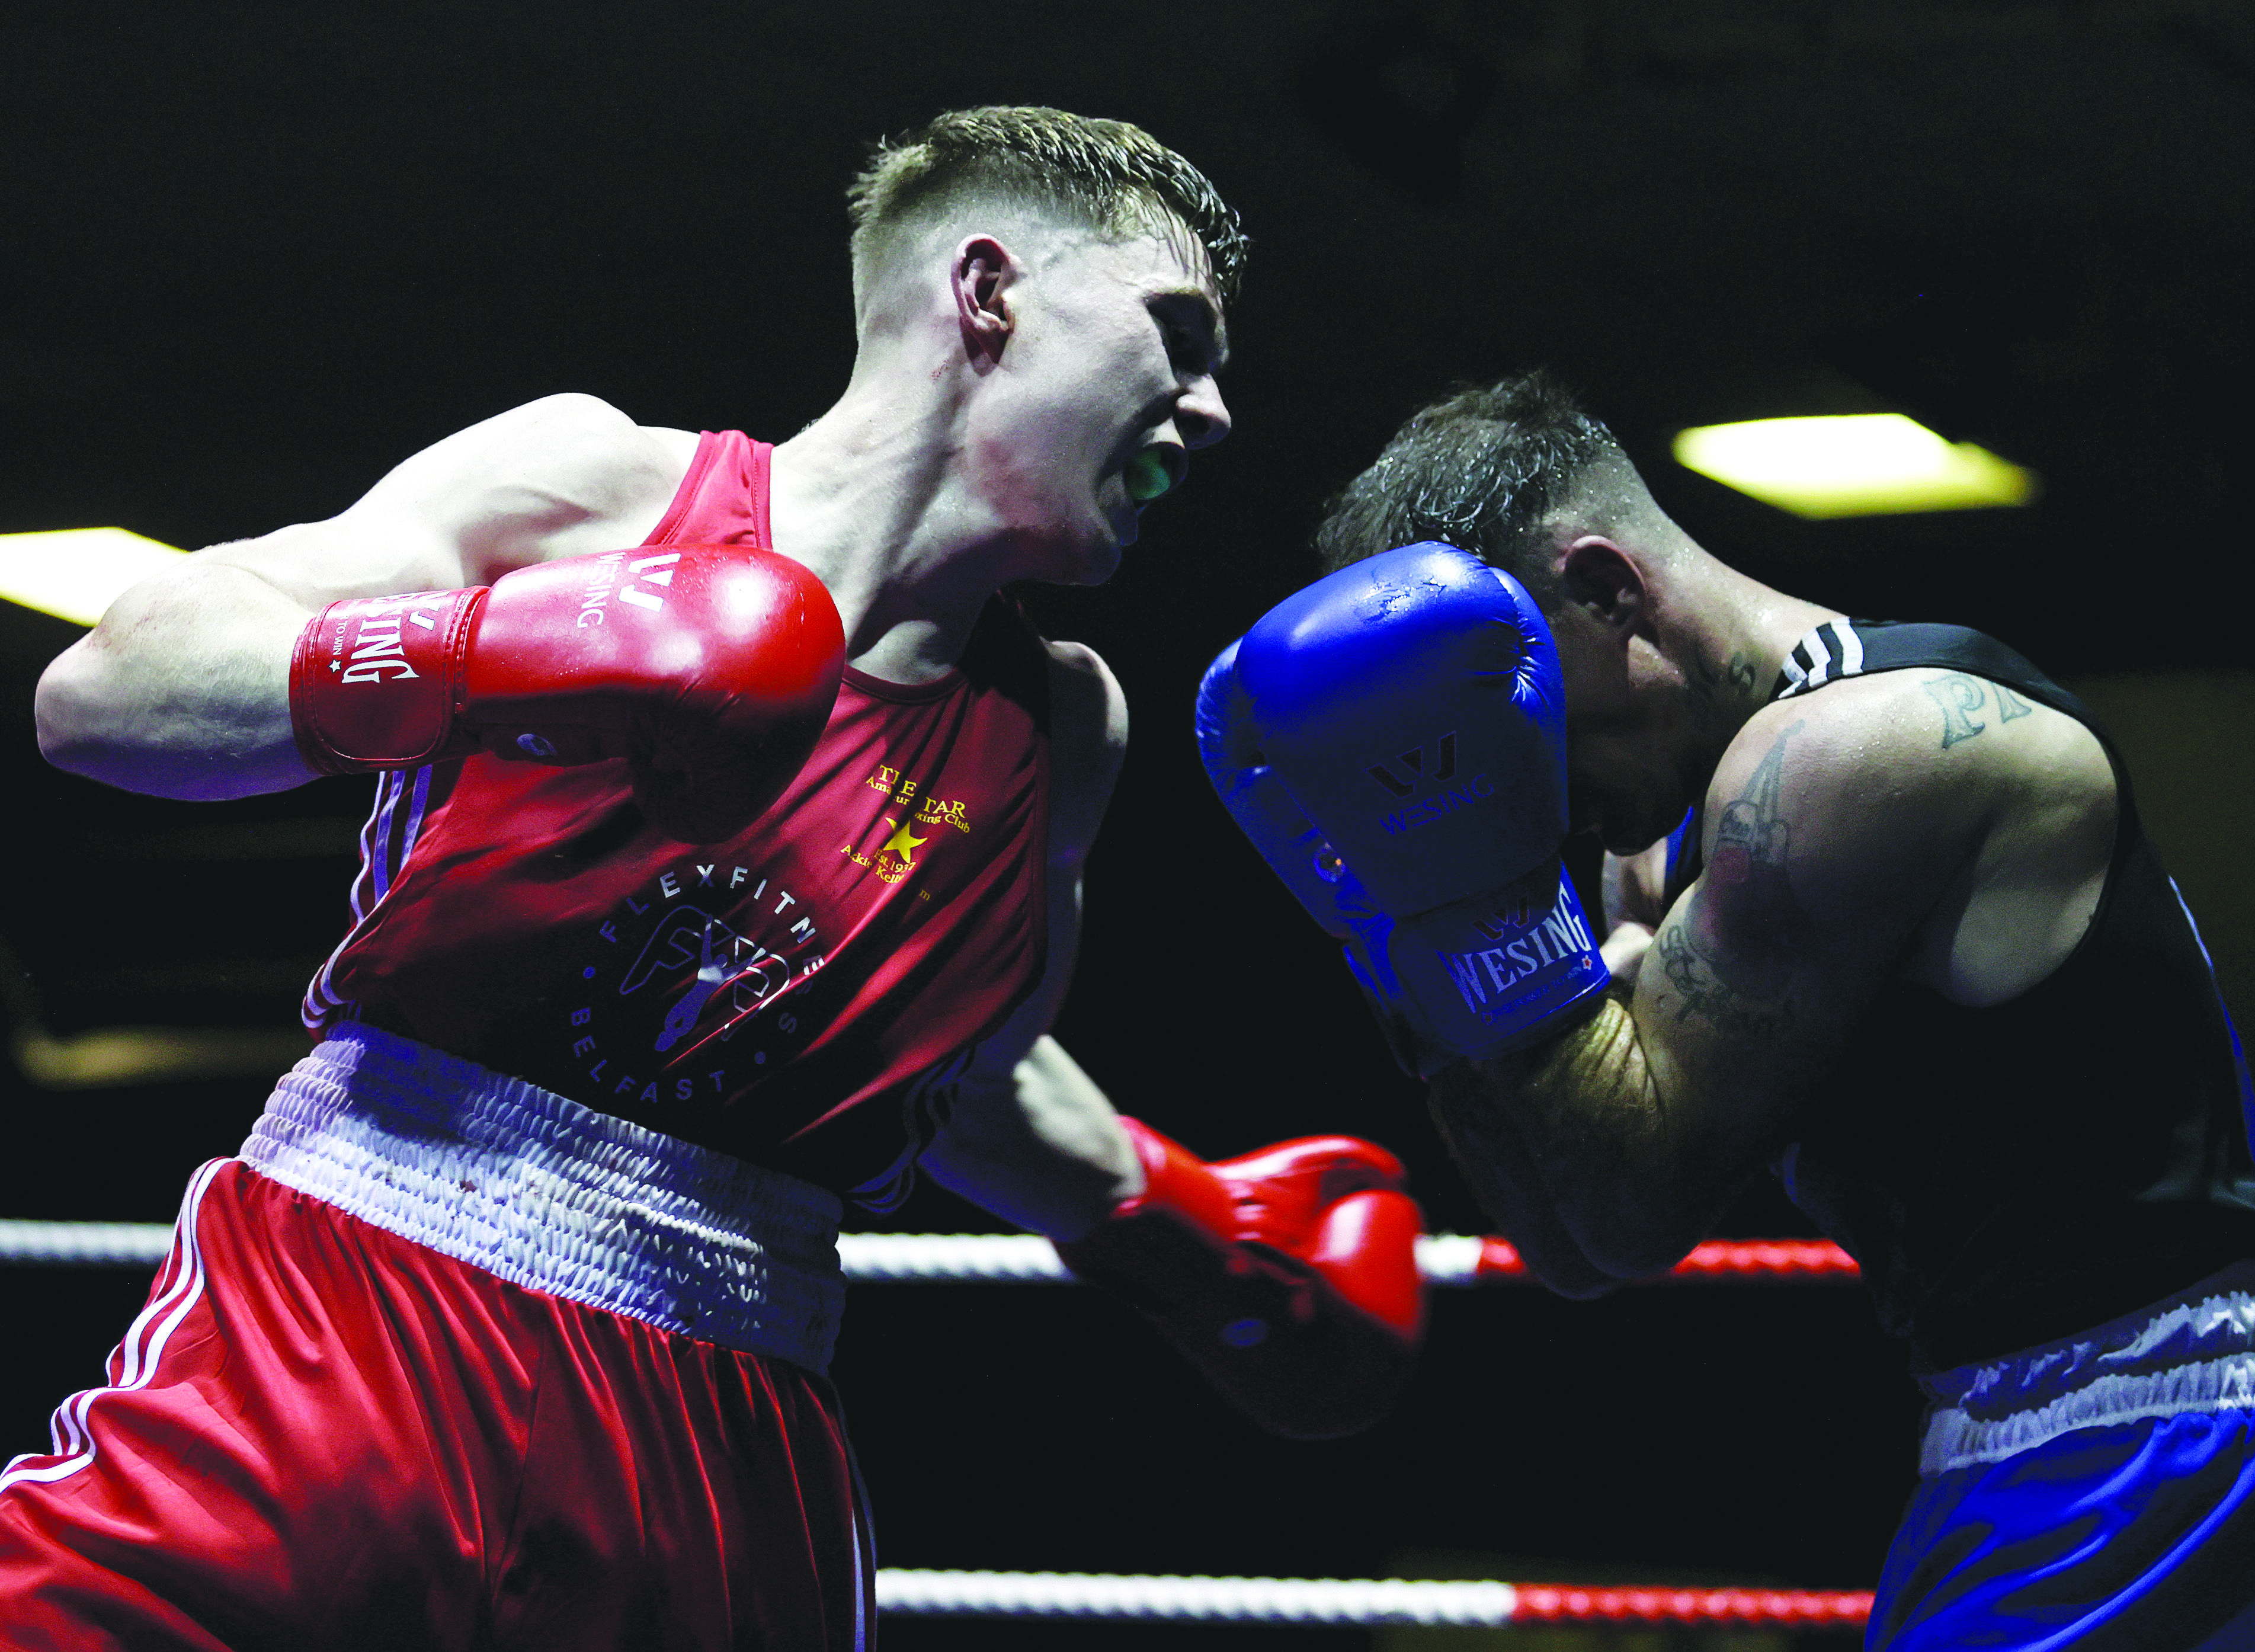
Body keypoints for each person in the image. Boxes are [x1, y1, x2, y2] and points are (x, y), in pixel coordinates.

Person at [9, 107, 1424, 1651]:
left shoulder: (1062, 729)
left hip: (725, 1427)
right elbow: (106, 699)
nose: (1211, 409)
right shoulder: (602, 495)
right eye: (1176, 333)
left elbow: (957, 1067)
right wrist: (490, 650)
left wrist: (1175, 1225)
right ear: (988, 292)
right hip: (353, 1318)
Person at [1204, 372, 2255, 1648]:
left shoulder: (1870, 748)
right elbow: (1585, 1246)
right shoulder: (1652, 839)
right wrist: (1402, 943)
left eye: (1495, 717)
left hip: (2186, 1428)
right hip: (2011, 1427)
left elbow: (1633, 1190)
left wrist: (1460, 921)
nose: (1532, 790)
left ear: (1610, 593)